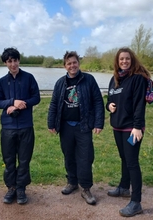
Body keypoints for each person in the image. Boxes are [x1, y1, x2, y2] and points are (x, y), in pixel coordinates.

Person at [47, 51, 105, 205]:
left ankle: (85, 188)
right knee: (69, 155)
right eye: (69, 63)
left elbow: (98, 101)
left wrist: (99, 123)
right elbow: (54, 103)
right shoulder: (60, 83)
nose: (72, 65)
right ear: (64, 66)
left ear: (78, 63)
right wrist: (51, 123)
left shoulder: (89, 80)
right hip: (66, 126)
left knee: (85, 157)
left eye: (74, 62)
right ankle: (72, 182)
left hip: (83, 125)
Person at [106, 47, 151, 217]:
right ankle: (124, 187)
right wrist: (108, 106)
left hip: (132, 128)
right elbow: (110, 98)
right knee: (124, 158)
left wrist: (138, 127)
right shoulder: (115, 79)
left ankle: (136, 202)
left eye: (127, 59)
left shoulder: (138, 79)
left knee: (132, 162)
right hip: (117, 127)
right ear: (117, 62)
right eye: (121, 59)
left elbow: (140, 104)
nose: (124, 61)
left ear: (132, 60)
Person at [0, 47, 40, 205]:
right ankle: (11, 188)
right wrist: (12, 102)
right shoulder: (2, 82)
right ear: (5, 63)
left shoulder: (29, 78)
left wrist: (23, 104)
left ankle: (21, 188)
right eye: (9, 61)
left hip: (26, 125)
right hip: (8, 127)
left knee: (24, 159)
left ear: (19, 61)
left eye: (15, 60)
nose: (13, 64)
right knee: (9, 160)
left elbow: (37, 97)